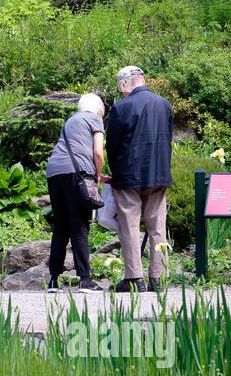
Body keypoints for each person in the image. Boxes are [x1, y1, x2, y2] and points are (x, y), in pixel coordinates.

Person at [105, 66, 173, 292]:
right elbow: (168, 138)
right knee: (157, 227)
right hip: (159, 173)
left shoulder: (121, 107)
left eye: (120, 87)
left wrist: (113, 171)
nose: (121, 91)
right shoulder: (164, 104)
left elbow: (112, 145)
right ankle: (158, 278)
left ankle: (134, 278)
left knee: (130, 226)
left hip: (128, 174)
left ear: (125, 83)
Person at [43, 93, 106, 291]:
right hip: (76, 173)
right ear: (98, 109)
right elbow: (97, 152)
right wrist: (98, 174)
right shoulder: (95, 119)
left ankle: (53, 280)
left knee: (61, 226)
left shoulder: (71, 120)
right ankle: (85, 280)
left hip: (54, 172)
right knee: (79, 226)